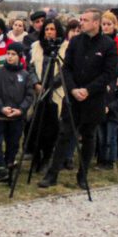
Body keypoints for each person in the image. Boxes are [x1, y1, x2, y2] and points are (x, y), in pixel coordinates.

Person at [39, 9, 118, 190]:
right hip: (73, 97)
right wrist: (73, 89)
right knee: (64, 134)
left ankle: (82, 175)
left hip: (94, 98)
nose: (81, 22)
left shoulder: (108, 45)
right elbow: (66, 68)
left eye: (85, 20)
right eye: (81, 19)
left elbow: (108, 73)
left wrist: (88, 90)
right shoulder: (75, 42)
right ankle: (52, 174)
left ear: (96, 23)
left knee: (89, 136)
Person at [0, 42, 36, 182]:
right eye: (8, 54)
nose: (9, 57)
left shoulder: (25, 75)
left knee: (13, 144)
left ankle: (8, 169)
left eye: (13, 54)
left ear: (19, 56)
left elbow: (29, 95)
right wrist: (1, 107)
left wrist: (20, 110)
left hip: (17, 116)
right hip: (0, 115)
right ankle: (0, 167)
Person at [27, 18, 67, 172]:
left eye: (52, 29)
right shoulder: (36, 46)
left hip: (54, 93)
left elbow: (65, 69)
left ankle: (47, 157)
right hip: (38, 91)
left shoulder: (65, 47)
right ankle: (35, 156)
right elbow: (31, 67)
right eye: (47, 29)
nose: (49, 32)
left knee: (52, 129)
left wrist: (50, 85)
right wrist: (36, 83)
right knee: (35, 126)